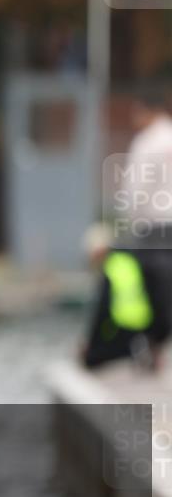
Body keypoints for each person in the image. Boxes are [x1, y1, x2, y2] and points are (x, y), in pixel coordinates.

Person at [81, 81, 172, 370]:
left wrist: (120, 232)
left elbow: (135, 194)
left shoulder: (146, 143)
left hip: (151, 231)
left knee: (138, 290)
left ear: (144, 111)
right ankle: (155, 347)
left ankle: (114, 348)